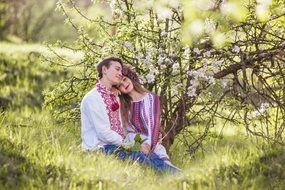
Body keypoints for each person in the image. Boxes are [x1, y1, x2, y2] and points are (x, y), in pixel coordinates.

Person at [80, 57, 178, 173]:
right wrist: (132, 145)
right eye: (117, 69)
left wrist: (137, 144)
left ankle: (178, 176)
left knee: (151, 158)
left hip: (118, 145)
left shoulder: (115, 96)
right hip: (100, 148)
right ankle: (176, 176)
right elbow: (104, 134)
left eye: (121, 71)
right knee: (141, 157)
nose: (119, 73)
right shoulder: (92, 98)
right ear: (104, 70)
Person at [117, 64, 180, 170]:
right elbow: (123, 130)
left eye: (124, 79)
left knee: (167, 169)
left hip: (153, 143)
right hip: (133, 143)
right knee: (144, 168)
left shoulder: (151, 98)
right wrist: (136, 145)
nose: (124, 84)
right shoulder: (123, 105)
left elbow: (153, 125)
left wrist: (149, 144)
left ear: (130, 78)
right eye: (119, 85)